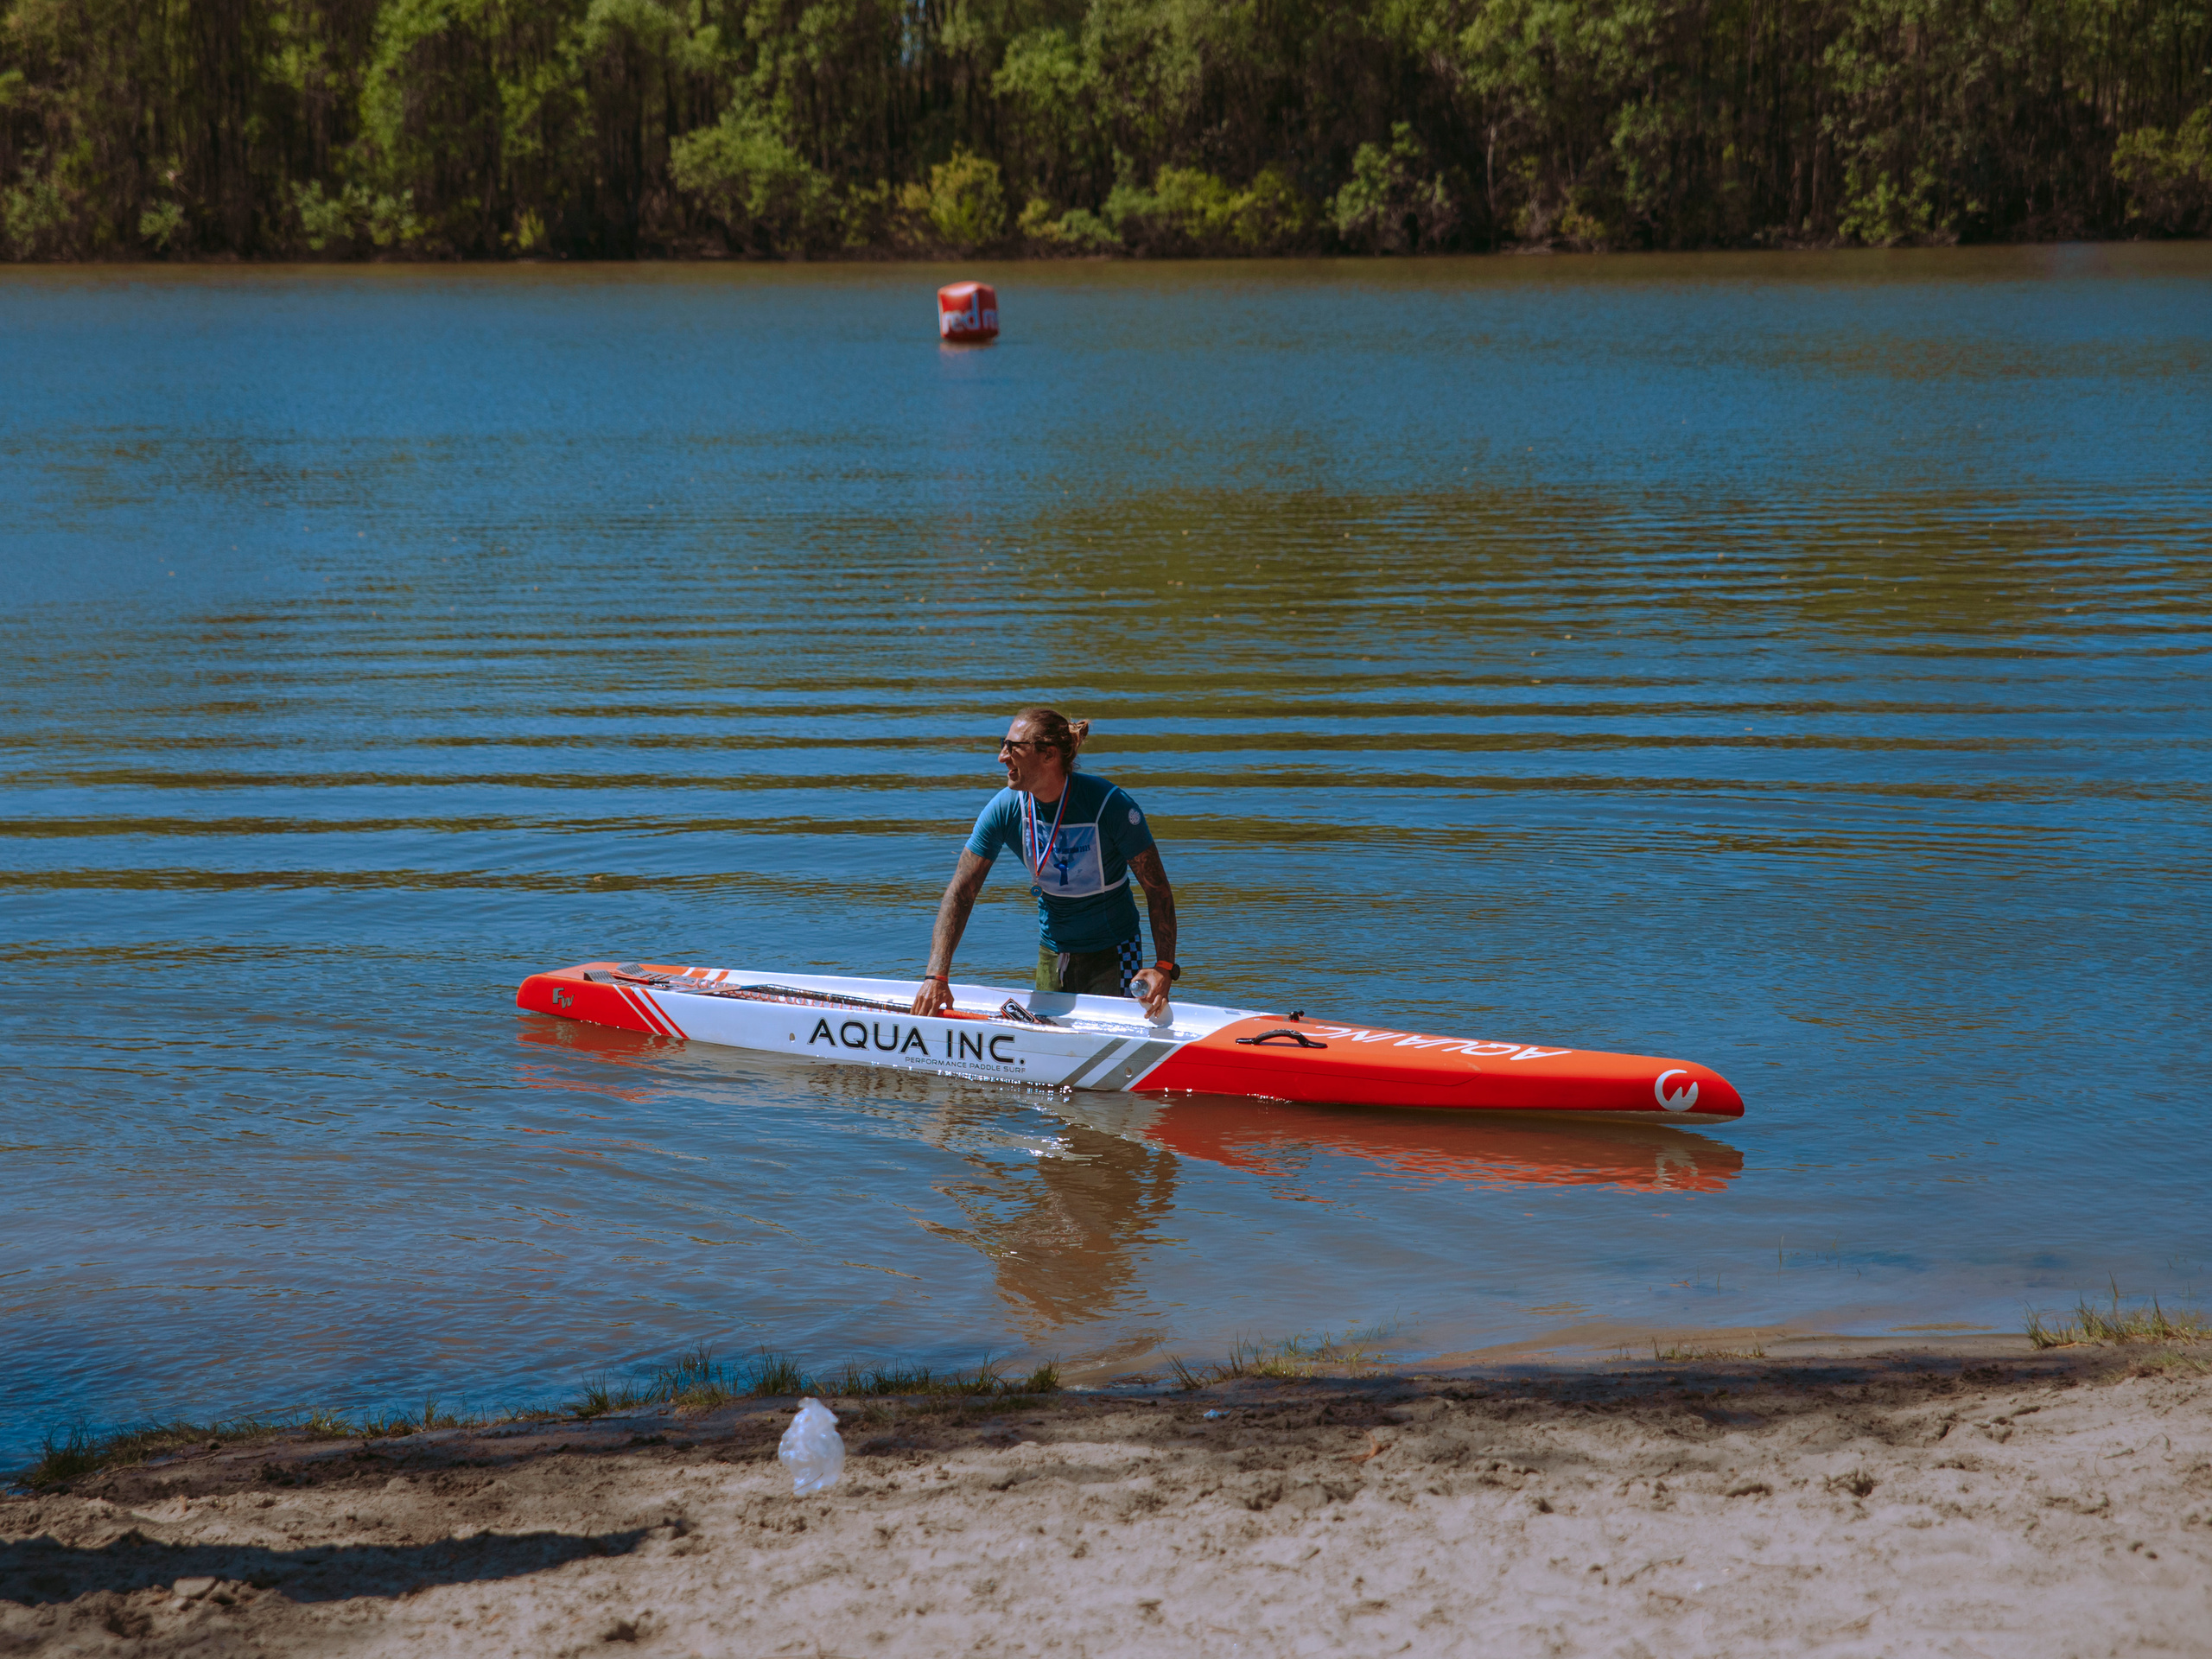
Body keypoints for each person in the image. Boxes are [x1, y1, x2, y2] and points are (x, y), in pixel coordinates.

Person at [911, 708, 1179, 1020]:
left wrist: (1164, 968)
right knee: (1050, 1042)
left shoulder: (1110, 805)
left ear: (1049, 755)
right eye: (1003, 744)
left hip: (1115, 953)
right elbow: (962, 891)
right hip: (1052, 953)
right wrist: (936, 977)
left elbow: (1157, 889)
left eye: (1013, 748)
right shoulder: (1004, 810)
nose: (1002, 757)